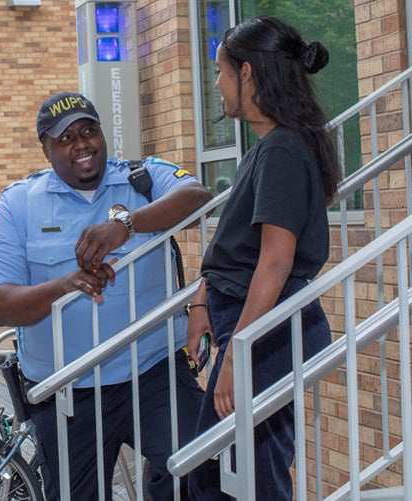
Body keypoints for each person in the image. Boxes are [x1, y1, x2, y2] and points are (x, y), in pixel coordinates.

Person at [0, 91, 212, 500]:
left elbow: (198, 197)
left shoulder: (142, 176)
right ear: (45, 149)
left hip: (152, 372)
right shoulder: (17, 205)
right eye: (65, 138)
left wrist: (127, 224)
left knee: (196, 469)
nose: (81, 143)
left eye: (89, 131)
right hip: (67, 392)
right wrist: (64, 285)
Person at [185, 16, 341, 500]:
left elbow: (274, 261)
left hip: (267, 328)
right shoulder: (268, 147)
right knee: (222, 469)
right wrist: (200, 301)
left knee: (239, 469)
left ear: (247, 73)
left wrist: (238, 353)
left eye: (220, 72)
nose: (217, 84)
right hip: (251, 321)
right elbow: (237, 249)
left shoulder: (283, 151)